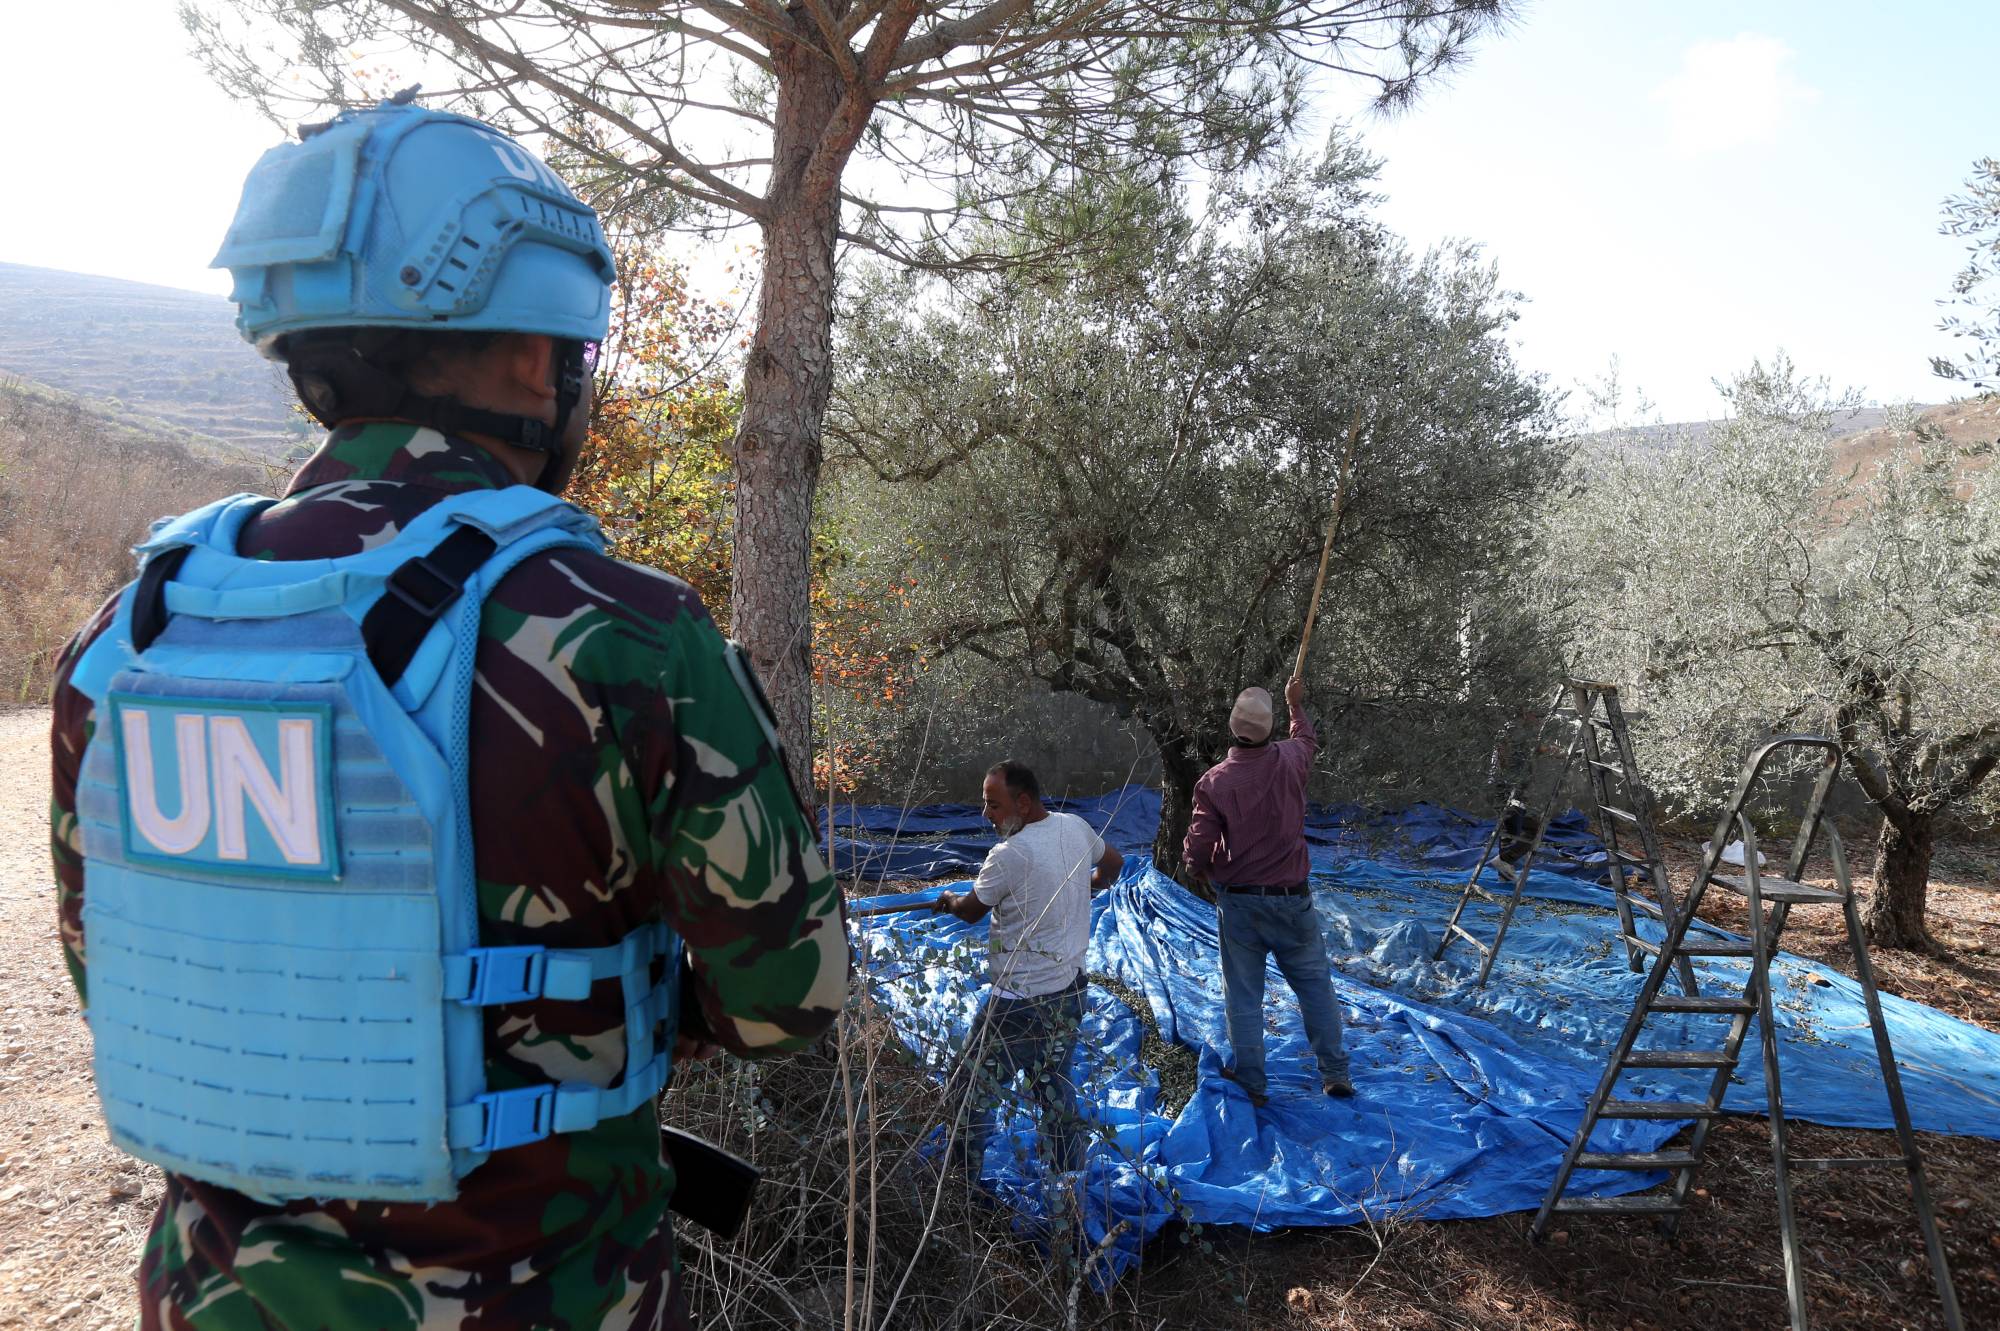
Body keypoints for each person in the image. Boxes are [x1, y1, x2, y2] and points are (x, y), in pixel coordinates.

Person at [49, 97, 848, 1330]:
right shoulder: (623, 632)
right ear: (537, 359)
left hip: (211, 1299)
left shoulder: (129, 637)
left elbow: (114, 972)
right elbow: (787, 992)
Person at [931, 760, 1123, 1177]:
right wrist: (1087, 885)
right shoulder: (1074, 827)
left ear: (1023, 801)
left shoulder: (1010, 854)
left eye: (993, 805)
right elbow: (1114, 864)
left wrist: (948, 899)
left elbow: (969, 912)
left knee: (968, 1094)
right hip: (1070, 991)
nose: (986, 816)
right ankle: (1067, 1180)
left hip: (1016, 1004)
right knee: (1055, 1089)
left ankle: (960, 1187)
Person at [1183, 675, 1354, 1106]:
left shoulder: (1214, 782)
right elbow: (1307, 738)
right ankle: (1334, 1073)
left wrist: (1197, 869)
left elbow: (1199, 844)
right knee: (1315, 986)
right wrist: (1296, 704)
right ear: (1270, 728)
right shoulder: (1293, 758)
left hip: (1239, 903)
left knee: (1243, 994)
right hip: (1293, 899)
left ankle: (1253, 1082)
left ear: (1232, 726)